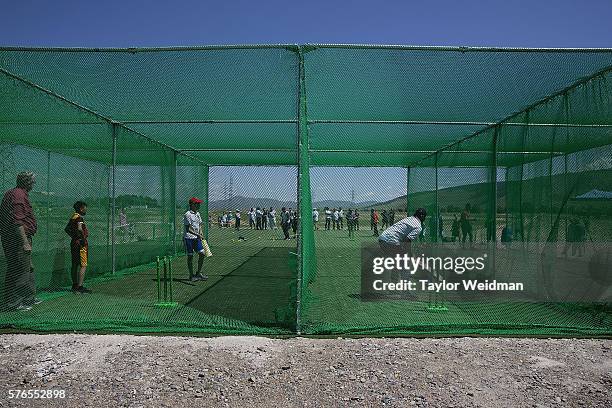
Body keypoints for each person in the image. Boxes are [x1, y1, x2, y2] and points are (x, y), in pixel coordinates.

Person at [0, 172, 39, 311]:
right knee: (20, 270)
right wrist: (24, 242)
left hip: (17, 238)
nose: (33, 185)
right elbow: (18, 222)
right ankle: (14, 303)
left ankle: (29, 298)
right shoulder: (18, 195)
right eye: (32, 183)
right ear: (27, 182)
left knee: (28, 267)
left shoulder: (17, 193)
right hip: (17, 239)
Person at [65, 201, 92, 294]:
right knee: (83, 265)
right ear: (81, 208)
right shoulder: (79, 218)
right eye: (85, 207)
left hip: (74, 243)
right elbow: (80, 228)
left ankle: (74, 285)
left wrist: (74, 237)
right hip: (81, 244)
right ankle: (80, 287)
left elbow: (67, 229)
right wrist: (82, 238)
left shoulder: (73, 217)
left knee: (75, 264)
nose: (86, 209)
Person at [183, 197, 211, 281]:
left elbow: (199, 225)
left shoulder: (198, 214)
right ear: (192, 205)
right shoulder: (187, 214)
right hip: (189, 238)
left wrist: (201, 233)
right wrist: (197, 234)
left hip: (197, 238)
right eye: (197, 204)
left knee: (202, 254)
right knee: (190, 257)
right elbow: (188, 228)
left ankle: (198, 273)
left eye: (199, 204)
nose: (199, 205)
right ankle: (191, 276)